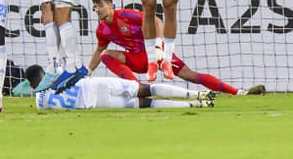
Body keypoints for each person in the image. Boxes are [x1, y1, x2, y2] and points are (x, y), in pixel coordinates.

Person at [88, 0, 266, 95]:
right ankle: (138, 88)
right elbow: (98, 51)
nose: (98, 9)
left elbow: (157, 21)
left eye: (101, 5)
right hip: (136, 60)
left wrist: (158, 47)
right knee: (105, 54)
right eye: (95, 7)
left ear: (111, 4)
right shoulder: (101, 29)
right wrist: (88, 71)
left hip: (155, 55)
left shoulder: (127, 15)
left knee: (190, 75)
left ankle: (239, 92)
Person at [26, 65, 215, 110]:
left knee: (144, 104)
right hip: (96, 84)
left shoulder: (39, 102)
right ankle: (198, 94)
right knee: (145, 89)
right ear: (43, 74)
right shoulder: (56, 74)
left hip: (96, 103)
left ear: (32, 82)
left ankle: (196, 106)